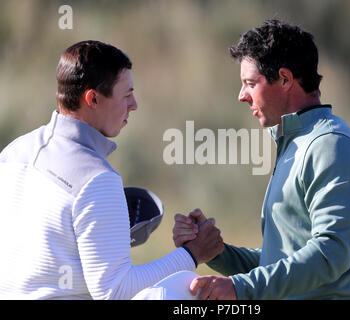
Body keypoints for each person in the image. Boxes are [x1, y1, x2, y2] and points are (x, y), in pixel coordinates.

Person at [0, 40, 223, 299]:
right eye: (126, 96)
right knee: (186, 288)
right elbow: (115, 292)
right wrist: (192, 254)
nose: (134, 105)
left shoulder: (12, 152)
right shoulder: (96, 179)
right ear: (92, 98)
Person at [173, 19, 350, 300]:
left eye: (250, 83)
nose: (241, 95)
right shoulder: (295, 143)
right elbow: (280, 264)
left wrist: (241, 288)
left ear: (284, 79)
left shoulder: (331, 145)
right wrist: (217, 253)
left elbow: (331, 254)